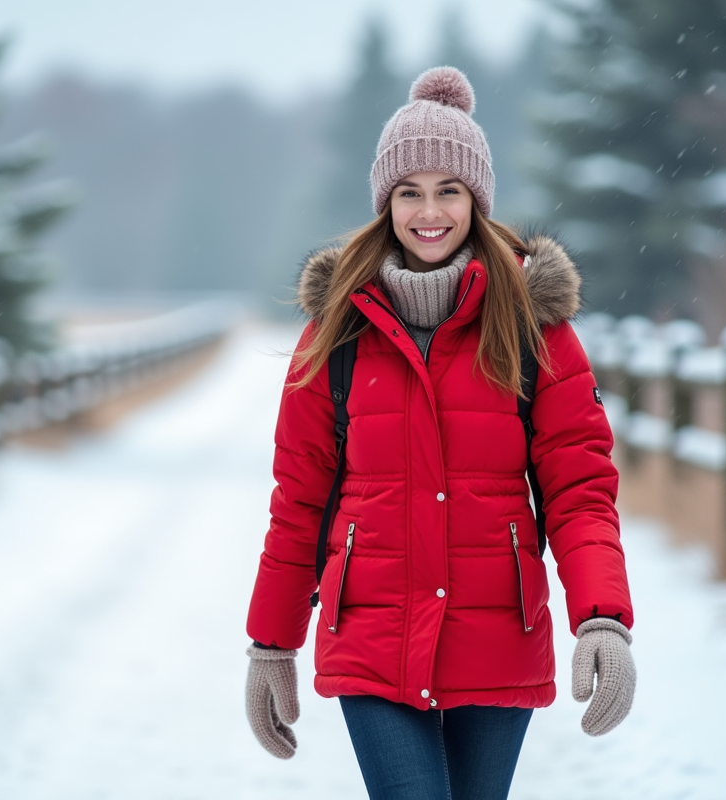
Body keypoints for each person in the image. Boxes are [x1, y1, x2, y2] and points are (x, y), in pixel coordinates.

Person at [243, 66, 635, 800]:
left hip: (497, 640)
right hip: (372, 636)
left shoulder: (533, 330)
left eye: (448, 190)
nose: (429, 212)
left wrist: (603, 618)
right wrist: (271, 642)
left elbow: (580, 493)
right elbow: (299, 499)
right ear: (385, 202)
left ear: (477, 200)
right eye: (408, 192)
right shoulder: (337, 333)